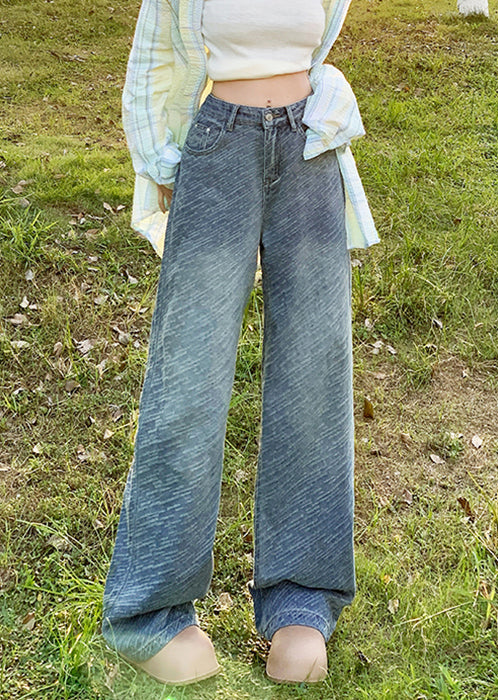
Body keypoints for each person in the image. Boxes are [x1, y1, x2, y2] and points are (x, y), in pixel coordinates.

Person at [101, 0, 380, 687]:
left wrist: (326, 89)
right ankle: (150, 613)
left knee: (314, 378)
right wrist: (162, 164)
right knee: (187, 379)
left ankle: (301, 602)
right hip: (218, 150)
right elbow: (153, 59)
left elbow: (317, 41)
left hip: (310, 148)